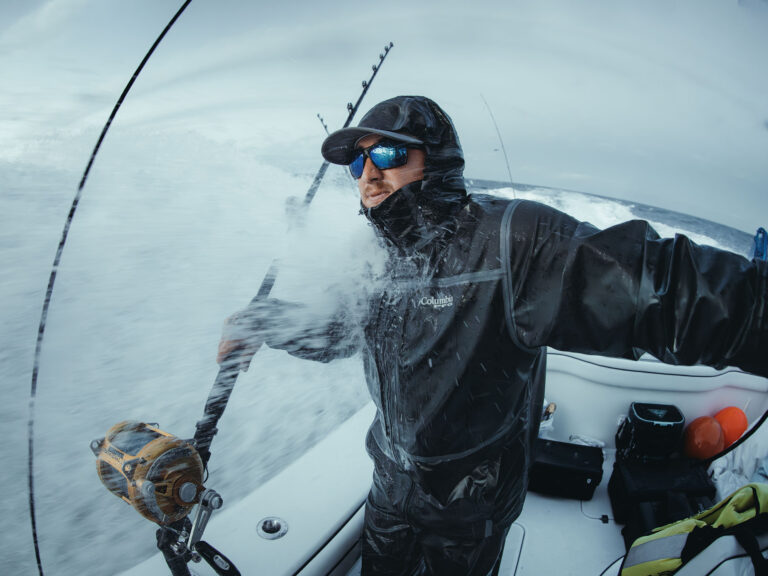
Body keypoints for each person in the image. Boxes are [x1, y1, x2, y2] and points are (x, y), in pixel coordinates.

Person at [217, 95, 768, 575]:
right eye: (358, 160)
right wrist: (265, 322)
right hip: (389, 484)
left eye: (387, 153)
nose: (368, 173)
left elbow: (670, 291)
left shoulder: (516, 242)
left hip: (471, 501)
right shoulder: (376, 256)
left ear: (437, 160)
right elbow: (338, 331)